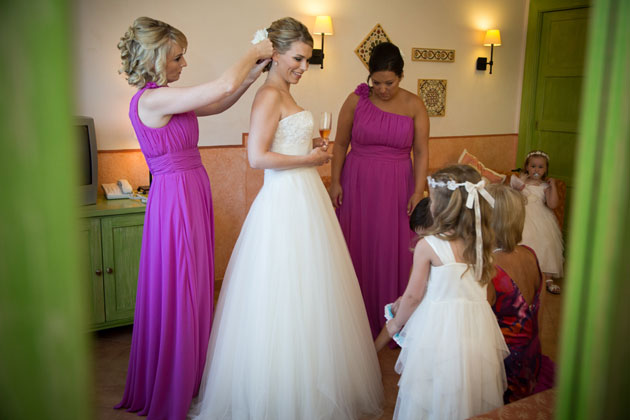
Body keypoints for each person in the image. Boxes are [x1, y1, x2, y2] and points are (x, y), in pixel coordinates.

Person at [189, 17, 383, 420]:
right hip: (282, 203)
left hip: (306, 199)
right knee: (282, 293)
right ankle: (279, 392)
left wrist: (310, 150)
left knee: (313, 292)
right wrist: (308, 158)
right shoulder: (267, 97)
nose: (303, 67)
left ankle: (312, 380)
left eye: (307, 60)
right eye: (297, 58)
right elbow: (257, 158)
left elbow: (283, 145)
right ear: (273, 54)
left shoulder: (285, 94)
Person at [114, 16, 272, 420]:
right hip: (176, 197)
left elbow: (218, 101)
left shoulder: (168, 97)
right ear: (155, 59)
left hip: (191, 190)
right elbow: (218, 85)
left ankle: (188, 371)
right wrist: (254, 49)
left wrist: (251, 77)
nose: (184, 64)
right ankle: (176, 378)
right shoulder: (150, 100)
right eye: (177, 58)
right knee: (181, 282)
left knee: (193, 281)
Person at [375, 164, 509, 420]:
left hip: (437, 331)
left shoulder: (429, 245)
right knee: (468, 389)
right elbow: (488, 295)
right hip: (476, 331)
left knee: (432, 390)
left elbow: (413, 297)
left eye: (433, 199)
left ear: (443, 208)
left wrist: (395, 325)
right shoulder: (482, 242)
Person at [329, 41, 430, 338]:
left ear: (401, 76)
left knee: (392, 246)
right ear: (369, 76)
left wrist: (418, 190)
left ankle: (393, 320)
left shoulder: (414, 105)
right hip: (357, 182)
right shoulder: (355, 100)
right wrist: (335, 181)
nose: (383, 89)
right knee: (357, 243)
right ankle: (353, 319)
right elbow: (339, 144)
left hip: (398, 185)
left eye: (390, 82)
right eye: (376, 83)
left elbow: (422, 152)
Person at [485, 184, 556, 403]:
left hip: (504, 366)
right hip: (530, 357)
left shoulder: (490, 268)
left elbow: (479, 328)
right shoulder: (530, 254)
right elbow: (539, 314)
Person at [510, 150, 564, 294]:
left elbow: (553, 205)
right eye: (533, 166)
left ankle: (547, 277)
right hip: (522, 215)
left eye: (540, 167)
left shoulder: (545, 186)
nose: (536, 169)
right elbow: (512, 197)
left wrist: (553, 187)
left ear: (545, 169)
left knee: (546, 243)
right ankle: (523, 274)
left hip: (541, 217)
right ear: (527, 167)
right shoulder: (521, 182)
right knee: (523, 240)